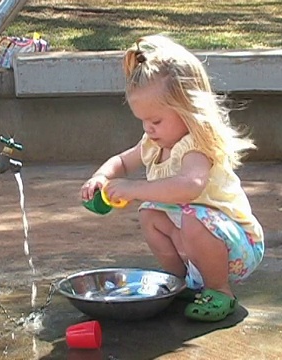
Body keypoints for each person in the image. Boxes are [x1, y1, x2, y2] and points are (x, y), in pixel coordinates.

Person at [80, 35, 264, 322]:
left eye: (156, 121)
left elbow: (190, 187)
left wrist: (135, 188)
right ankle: (177, 282)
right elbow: (122, 161)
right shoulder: (154, 143)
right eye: (143, 120)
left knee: (190, 216)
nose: (149, 129)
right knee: (150, 215)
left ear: (188, 110)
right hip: (199, 239)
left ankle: (220, 290)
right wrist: (101, 177)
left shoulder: (196, 146)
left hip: (238, 247)